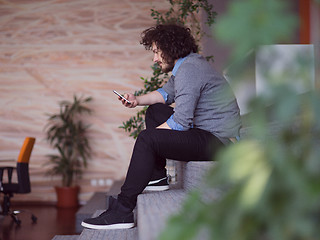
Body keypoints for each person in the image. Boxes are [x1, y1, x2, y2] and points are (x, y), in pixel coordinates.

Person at [81, 23, 241, 230]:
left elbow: (181, 123)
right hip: (207, 134)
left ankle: (122, 210)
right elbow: (164, 95)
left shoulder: (190, 69)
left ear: (171, 47)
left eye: (157, 52)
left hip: (220, 142)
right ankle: (157, 177)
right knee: (155, 110)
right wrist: (136, 100)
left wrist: (149, 141)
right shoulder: (187, 65)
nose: (154, 59)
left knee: (147, 139)